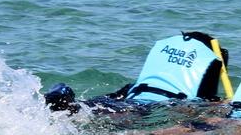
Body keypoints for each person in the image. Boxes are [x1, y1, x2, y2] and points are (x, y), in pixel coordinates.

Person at [44, 30, 229, 114]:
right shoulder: (204, 99)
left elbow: (114, 97)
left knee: (89, 107)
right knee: (114, 116)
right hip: (146, 110)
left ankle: (68, 102)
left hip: (123, 100)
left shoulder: (137, 86)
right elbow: (206, 108)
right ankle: (70, 106)